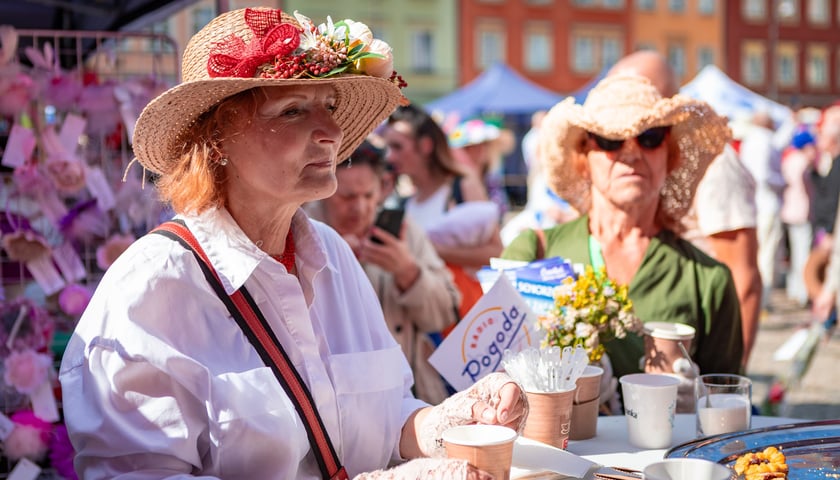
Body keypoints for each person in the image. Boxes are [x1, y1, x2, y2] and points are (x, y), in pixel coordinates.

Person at [58, 8, 527, 479]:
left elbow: (389, 418)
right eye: (294, 110)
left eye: (330, 106)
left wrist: (453, 420)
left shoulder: (334, 255)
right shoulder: (150, 290)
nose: (332, 132)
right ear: (219, 138)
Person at [502, 74, 743, 383]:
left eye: (650, 137)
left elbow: (727, 400)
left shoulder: (708, 280)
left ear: (670, 156)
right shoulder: (532, 252)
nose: (631, 152)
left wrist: (695, 398)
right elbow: (485, 376)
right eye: (610, 139)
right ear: (584, 158)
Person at [608, 50, 761, 369]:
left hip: (698, 333)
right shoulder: (637, 159)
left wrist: (726, 378)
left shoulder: (714, 164)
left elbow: (743, 280)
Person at [307, 141, 459, 405]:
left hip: (410, 396)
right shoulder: (302, 233)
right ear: (323, 191)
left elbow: (446, 313)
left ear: (382, 189)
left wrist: (408, 272)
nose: (360, 208)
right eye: (347, 197)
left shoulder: (404, 232)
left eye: (368, 196)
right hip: (333, 402)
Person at [383, 105, 504, 320]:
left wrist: (428, 249)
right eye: (388, 147)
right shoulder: (403, 201)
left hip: (462, 316)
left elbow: (495, 252)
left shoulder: (461, 186)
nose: (390, 156)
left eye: (398, 146)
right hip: (420, 319)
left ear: (426, 145)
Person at [740, 112, 786, 313]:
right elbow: (763, 176)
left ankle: (759, 301)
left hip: (754, 205)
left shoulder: (750, 141)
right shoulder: (765, 141)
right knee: (766, 255)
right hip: (767, 205)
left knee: (758, 254)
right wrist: (783, 182)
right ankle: (761, 302)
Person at [780, 129, 816, 307]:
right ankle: (802, 292)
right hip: (802, 212)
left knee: (794, 253)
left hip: (789, 211)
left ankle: (794, 289)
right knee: (802, 254)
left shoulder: (788, 161)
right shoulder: (803, 163)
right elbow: (809, 189)